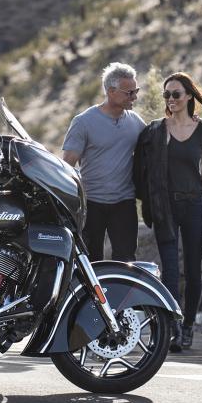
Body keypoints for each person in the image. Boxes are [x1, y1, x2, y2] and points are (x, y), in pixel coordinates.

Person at [135, 71, 202, 351]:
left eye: (176, 94)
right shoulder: (155, 131)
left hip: (193, 207)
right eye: (166, 94)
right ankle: (173, 328)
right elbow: (141, 169)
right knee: (169, 271)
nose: (171, 99)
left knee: (192, 272)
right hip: (164, 207)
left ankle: (188, 326)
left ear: (189, 96)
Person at [62, 62, 145, 261]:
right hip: (91, 205)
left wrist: (186, 119)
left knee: (126, 261)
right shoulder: (83, 122)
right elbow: (66, 167)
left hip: (124, 203)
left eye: (136, 91)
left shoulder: (135, 122)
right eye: (129, 93)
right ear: (111, 91)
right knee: (91, 261)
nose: (134, 97)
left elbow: (158, 140)